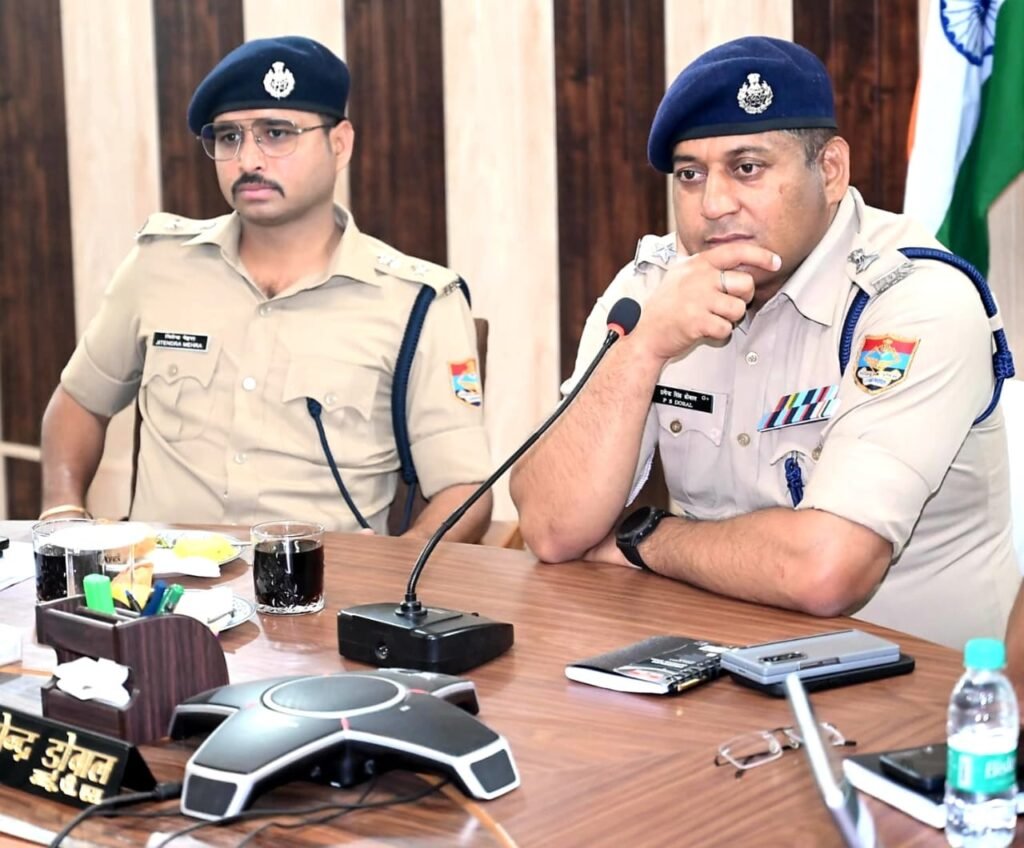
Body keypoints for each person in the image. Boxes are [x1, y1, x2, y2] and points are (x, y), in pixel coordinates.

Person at [510, 36, 1020, 649]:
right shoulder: (654, 289)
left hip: (917, 683)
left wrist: (645, 538)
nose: (713, 205)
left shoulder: (915, 300)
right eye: (690, 175)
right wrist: (642, 350)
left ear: (830, 171)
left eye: (747, 168)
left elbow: (828, 570)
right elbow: (550, 527)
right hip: (716, 661)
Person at [40, 36, 492, 540]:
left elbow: (463, 490)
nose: (248, 160)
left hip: (321, 581)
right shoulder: (158, 266)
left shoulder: (416, 302)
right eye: (229, 137)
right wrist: (62, 511)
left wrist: (395, 577)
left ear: (339, 144)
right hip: (162, 578)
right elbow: (80, 401)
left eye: (276, 134)